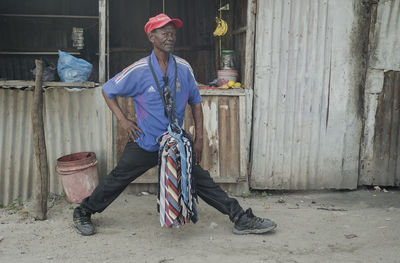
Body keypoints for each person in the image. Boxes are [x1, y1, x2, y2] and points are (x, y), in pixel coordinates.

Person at [73, 13, 277, 236]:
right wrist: (123, 120)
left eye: (172, 32)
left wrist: (199, 139)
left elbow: (196, 103)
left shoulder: (183, 68)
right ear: (151, 37)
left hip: (176, 144)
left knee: (202, 181)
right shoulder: (139, 69)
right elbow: (108, 90)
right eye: (163, 31)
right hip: (146, 142)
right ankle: (83, 212)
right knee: (117, 179)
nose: (170, 36)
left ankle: (240, 217)